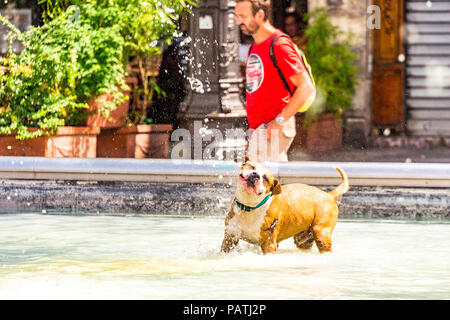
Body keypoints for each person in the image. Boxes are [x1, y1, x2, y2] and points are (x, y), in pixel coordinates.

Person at [235, 0, 316, 162]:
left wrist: (279, 121)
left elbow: (306, 87)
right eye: (237, 16)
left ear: (260, 15)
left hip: (273, 128)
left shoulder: (279, 44)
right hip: (260, 130)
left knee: (262, 184)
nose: (238, 22)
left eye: (243, 16)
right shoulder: (255, 46)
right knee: (264, 184)